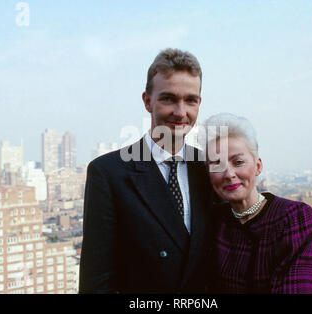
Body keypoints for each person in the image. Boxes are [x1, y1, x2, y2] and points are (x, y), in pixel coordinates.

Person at [79, 48, 215, 294]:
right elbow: (96, 280)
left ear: (199, 104)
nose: (181, 112)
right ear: (147, 101)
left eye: (190, 100)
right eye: (168, 99)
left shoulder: (209, 167)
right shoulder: (108, 173)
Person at [204, 113, 312, 294]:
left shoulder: (293, 217)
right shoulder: (213, 221)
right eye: (217, 165)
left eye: (238, 162)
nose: (229, 174)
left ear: (257, 166)